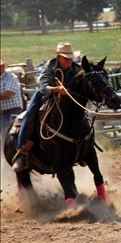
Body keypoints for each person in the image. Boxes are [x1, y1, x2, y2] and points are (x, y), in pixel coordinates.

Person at [12, 42, 79, 172]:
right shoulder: (50, 66)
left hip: (69, 96)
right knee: (29, 114)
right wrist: (57, 89)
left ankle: (85, 146)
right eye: (66, 58)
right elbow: (43, 87)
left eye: (70, 58)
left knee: (83, 114)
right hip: (46, 95)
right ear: (59, 57)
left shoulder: (76, 68)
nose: (69, 61)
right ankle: (22, 151)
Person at [0, 59, 24, 145]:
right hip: (3, 114)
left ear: (2, 67)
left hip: (12, 112)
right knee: (5, 140)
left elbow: (8, 93)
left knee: (9, 140)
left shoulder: (11, 77)